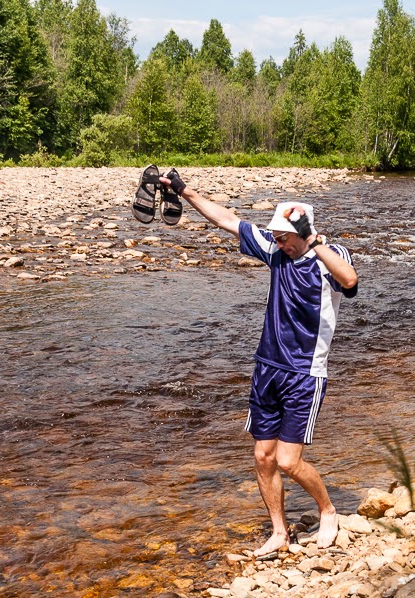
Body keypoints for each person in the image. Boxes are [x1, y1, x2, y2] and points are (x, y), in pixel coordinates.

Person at [159, 170, 358, 556]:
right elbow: (228, 220)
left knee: (288, 461)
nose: (278, 242)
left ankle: (327, 509)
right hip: (267, 367)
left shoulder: (327, 257)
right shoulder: (273, 249)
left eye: (284, 237)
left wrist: (315, 244)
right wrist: (185, 192)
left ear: (304, 233)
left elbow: (349, 281)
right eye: (276, 237)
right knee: (263, 456)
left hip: (304, 373)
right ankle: (280, 532)